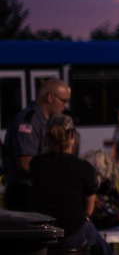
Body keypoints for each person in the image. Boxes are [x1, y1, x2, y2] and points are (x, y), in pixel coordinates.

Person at [31, 114, 119, 255]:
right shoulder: (83, 168)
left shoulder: (36, 164)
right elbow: (89, 207)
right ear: (72, 138)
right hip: (72, 234)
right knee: (84, 233)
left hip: (44, 234)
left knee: (77, 244)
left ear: (47, 139)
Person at [3, 77, 72, 211]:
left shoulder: (44, 121)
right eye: (64, 101)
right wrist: (58, 168)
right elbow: (25, 163)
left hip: (36, 191)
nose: (65, 106)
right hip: (25, 193)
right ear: (50, 97)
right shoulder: (29, 122)